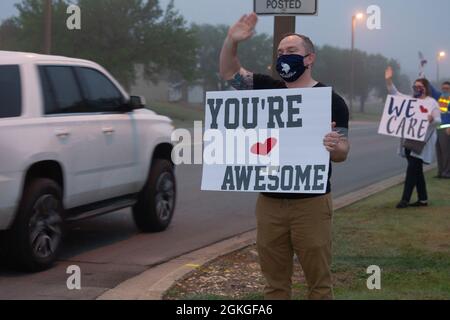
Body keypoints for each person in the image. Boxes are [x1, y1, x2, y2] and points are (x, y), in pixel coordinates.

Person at [220, 13, 350, 300]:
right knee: (275, 285)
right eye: (280, 52)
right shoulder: (267, 89)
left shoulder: (331, 100)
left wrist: (334, 146)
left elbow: (342, 152)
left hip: (311, 204)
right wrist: (232, 41)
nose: (284, 57)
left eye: (292, 52)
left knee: (319, 284)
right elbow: (230, 74)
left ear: (309, 58)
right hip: (269, 202)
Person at [385, 66, 442, 208]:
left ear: (425, 88)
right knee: (416, 170)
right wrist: (388, 79)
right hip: (410, 141)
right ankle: (423, 200)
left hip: (422, 143)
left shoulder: (431, 102)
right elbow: (394, 93)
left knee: (412, 170)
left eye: (420, 86)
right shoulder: (409, 100)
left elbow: (438, 120)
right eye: (415, 86)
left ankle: (405, 199)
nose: (417, 88)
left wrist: (431, 119)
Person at [430, 81, 450, 179]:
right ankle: (440, 172)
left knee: (446, 152)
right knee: (439, 151)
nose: (445, 90)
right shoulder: (439, 96)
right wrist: (422, 74)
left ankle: (447, 172)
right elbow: (430, 87)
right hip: (437, 129)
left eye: (447, 88)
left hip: (447, 129)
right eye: (443, 88)